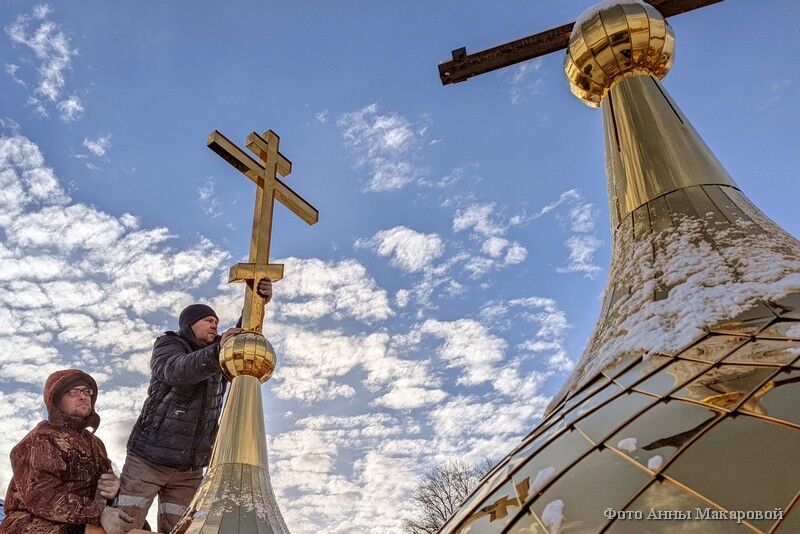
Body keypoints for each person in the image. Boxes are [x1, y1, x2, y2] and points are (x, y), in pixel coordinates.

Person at [118, 278, 272, 533]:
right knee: (124, 522)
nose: (214, 324)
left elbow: (242, 337)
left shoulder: (221, 353)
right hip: (148, 459)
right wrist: (216, 352)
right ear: (190, 325)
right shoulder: (169, 345)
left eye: (216, 321)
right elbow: (175, 371)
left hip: (189, 469)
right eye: (207, 320)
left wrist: (257, 301)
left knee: (181, 529)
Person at [1, 369, 133, 534]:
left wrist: (113, 491)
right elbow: (42, 497)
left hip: (84, 522)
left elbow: (102, 493)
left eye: (87, 391)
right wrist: (98, 513)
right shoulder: (41, 438)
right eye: (73, 392)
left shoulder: (96, 444)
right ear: (57, 400)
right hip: (33, 523)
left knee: (134, 527)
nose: (83, 396)